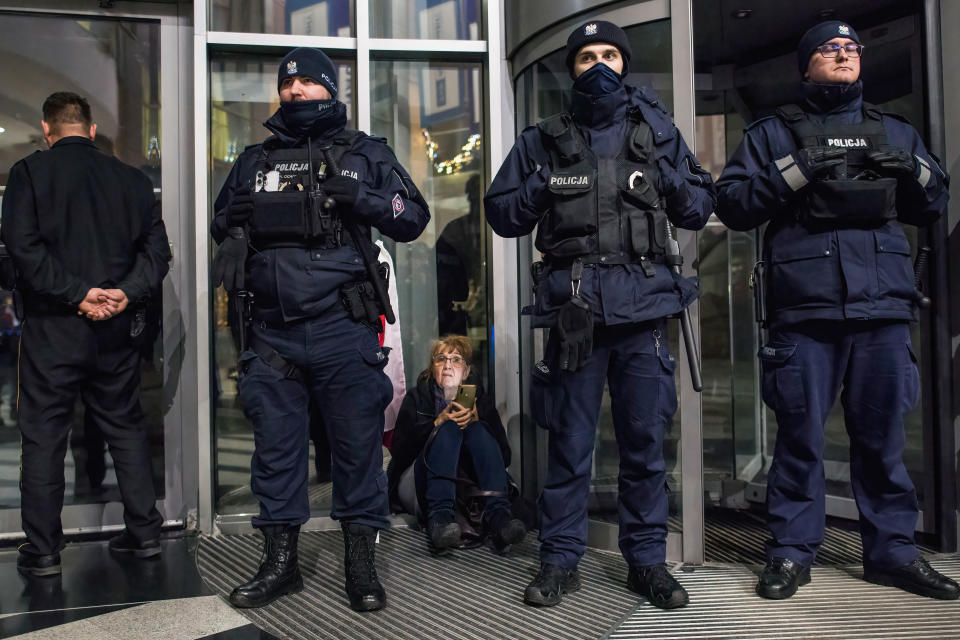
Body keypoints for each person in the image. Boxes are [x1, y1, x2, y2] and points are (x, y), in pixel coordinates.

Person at [716, 20, 957, 601]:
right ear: (806, 66)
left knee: (882, 438)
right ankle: (792, 553)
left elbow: (936, 200)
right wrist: (799, 169)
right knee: (798, 438)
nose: (844, 55)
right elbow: (733, 202)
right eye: (830, 49)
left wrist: (911, 166)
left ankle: (893, 553)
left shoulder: (895, 130)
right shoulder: (773, 133)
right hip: (804, 311)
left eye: (852, 48)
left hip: (881, 309)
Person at [485, 21, 715, 609]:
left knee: (643, 445)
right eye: (588, 56)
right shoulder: (543, 139)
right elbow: (501, 212)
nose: (600, 65)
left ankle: (647, 562)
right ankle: (561, 561)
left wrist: (667, 178)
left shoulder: (657, 131)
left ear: (625, 62)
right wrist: (540, 186)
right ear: (573, 68)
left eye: (610, 54)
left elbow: (697, 206)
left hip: (643, 313)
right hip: (576, 315)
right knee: (569, 444)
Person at [211, 47, 429, 612]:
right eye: (288, 84)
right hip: (272, 333)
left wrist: (368, 198)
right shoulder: (255, 160)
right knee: (276, 455)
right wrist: (233, 236)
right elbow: (222, 219)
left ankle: (361, 565)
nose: (296, 91)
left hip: (343, 328)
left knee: (357, 451)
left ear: (330, 89)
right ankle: (280, 563)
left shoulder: (365, 154)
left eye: (308, 82)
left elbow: (414, 217)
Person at [1, 92, 170, 576]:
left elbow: (23, 250)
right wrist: (122, 294)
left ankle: (44, 551)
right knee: (126, 428)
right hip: (115, 329)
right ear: (92, 130)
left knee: (44, 437)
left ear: (46, 129)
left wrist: (77, 294)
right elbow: (157, 255)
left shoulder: (30, 174)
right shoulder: (133, 180)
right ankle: (143, 534)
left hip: (54, 329)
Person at [387, 335, 526, 554]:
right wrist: (436, 423)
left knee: (478, 430)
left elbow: (504, 457)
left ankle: (499, 517)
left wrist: (481, 420)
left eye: (456, 359)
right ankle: (440, 519)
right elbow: (399, 453)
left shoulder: (480, 399)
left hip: (469, 484)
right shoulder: (417, 398)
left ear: (467, 371)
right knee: (448, 429)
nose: (448, 365)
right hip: (419, 482)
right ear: (432, 368)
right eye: (441, 359)